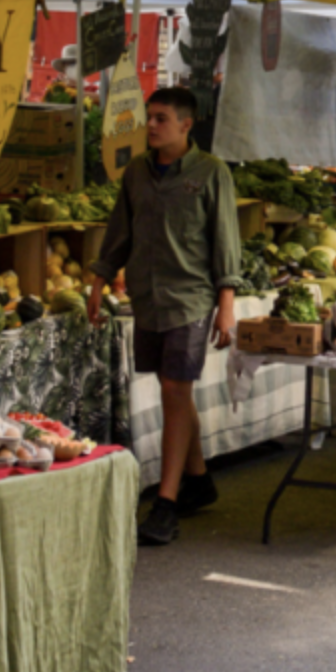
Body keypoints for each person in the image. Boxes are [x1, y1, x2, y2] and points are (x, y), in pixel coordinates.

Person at [88, 88, 241, 547]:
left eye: (160, 118)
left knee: (176, 388)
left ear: (185, 124)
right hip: (146, 298)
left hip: (191, 299)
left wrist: (226, 304)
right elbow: (120, 231)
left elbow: (225, 240)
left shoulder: (212, 173)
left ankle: (167, 503)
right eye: (148, 118)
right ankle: (198, 479)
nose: (151, 126)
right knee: (171, 389)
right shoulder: (136, 171)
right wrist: (98, 281)